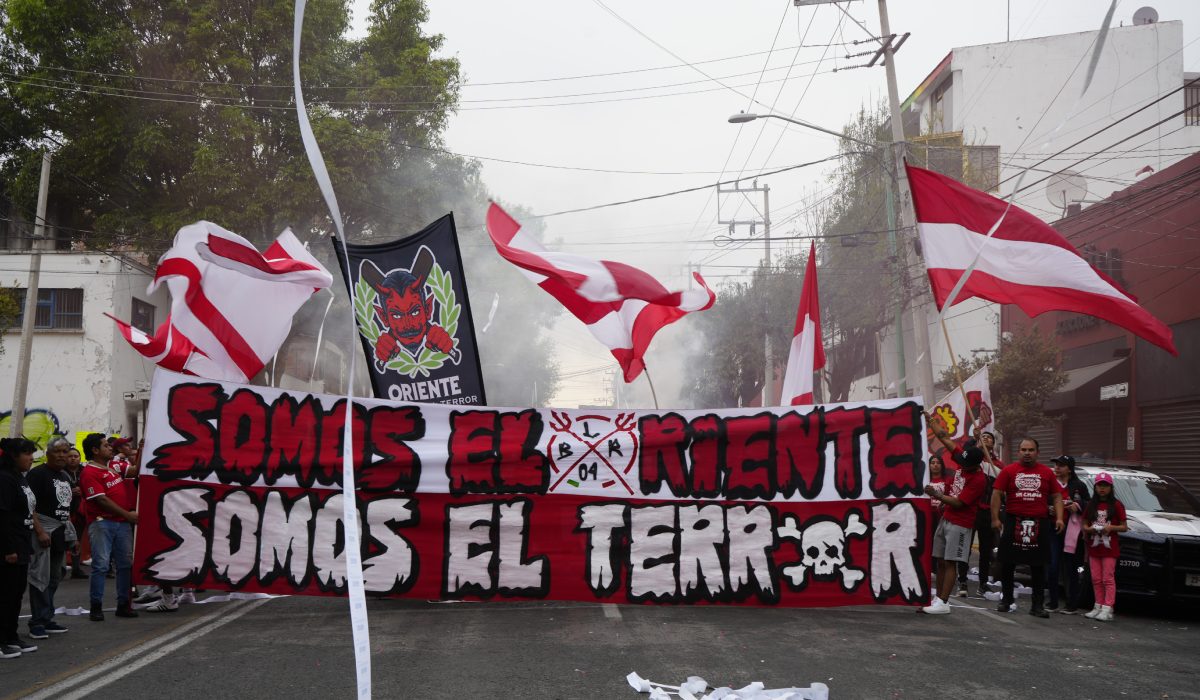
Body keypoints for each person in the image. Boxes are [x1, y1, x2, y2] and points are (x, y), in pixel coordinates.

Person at [991, 437, 1063, 618]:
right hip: (1013, 521)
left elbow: (1056, 497)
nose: (1027, 453)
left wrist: (1060, 518)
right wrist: (995, 518)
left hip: (1040, 522)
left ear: (1037, 452)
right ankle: (1006, 600)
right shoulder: (1008, 471)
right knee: (1007, 564)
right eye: (1023, 450)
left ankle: (1037, 606)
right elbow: (997, 493)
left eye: (1031, 450)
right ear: (1018, 452)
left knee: (1038, 566)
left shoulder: (1047, 473)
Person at [921, 444, 988, 615]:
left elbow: (959, 503)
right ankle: (938, 598)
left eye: (965, 463)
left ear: (975, 465)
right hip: (947, 518)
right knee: (940, 560)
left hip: (961, 523)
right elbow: (945, 439)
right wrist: (931, 422)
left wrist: (938, 495)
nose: (961, 465)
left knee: (950, 562)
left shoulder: (979, 480)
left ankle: (943, 602)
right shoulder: (964, 461)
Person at [80, 433, 139, 621]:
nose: (110, 448)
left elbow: (135, 471)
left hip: (121, 524)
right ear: (95, 450)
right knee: (101, 565)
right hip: (102, 523)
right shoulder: (89, 472)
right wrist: (127, 514)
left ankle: (124, 604)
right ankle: (95, 607)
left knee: (125, 565)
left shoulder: (113, 467)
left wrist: (145, 448)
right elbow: (101, 500)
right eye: (105, 445)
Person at [24, 437, 74, 638]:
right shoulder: (37, 475)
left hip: (60, 533)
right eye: (58, 452)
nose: (62, 456)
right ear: (48, 453)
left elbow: (65, 508)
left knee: (55, 575)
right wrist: (40, 531)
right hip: (43, 533)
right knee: (40, 578)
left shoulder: (64, 476)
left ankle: (47, 617)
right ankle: (37, 622)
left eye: (65, 451)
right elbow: (30, 507)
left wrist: (73, 536)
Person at [0, 437, 42, 658]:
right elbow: (3, 516)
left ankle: (11, 636)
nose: (31, 458)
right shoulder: (5, 479)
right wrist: (8, 549)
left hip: (22, 542)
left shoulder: (20, 478)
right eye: (27, 453)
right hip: (10, 545)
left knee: (16, 594)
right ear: (13, 456)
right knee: (5, 594)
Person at [1047, 455, 1090, 614]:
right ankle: (1052, 602)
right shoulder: (1050, 483)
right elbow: (1041, 501)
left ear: (1069, 469)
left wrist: (1078, 505)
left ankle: (1072, 604)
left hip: (1072, 531)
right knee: (1052, 565)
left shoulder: (1079, 485)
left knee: (1071, 567)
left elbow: (1089, 503)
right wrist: (1048, 508)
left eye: (1061, 465)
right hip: (1053, 529)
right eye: (1056, 465)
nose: (1057, 468)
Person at [1083, 472, 1127, 622]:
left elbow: (1124, 527)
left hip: (1109, 548)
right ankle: (1098, 606)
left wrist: (1111, 528)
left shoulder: (1117, 505)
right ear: (1095, 487)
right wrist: (1091, 529)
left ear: (1110, 487)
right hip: (1094, 547)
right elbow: (1084, 525)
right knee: (1096, 578)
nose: (1102, 488)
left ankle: (1108, 608)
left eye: (1105, 485)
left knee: (1107, 578)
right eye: (1099, 485)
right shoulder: (1091, 505)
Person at [63, 447, 88, 579]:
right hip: (65, 510)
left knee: (77, 539)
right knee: (62, 539)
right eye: (70, 456)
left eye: (76, 456)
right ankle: (60, 567)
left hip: (80, 511)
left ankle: (76, 568)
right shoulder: (60, 472)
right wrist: (70, 492)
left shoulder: (85, 472)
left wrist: (82, 491)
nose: (73, 458)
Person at [927, 454, 948, 577]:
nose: (935, 465)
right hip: (928, 516)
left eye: (938, 462)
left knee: (940, 542)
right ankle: (930, 567)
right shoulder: (925, 481)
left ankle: (940, 568)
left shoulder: (947, 481)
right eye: (932, 462)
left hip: (942, 516)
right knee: (929, 541)